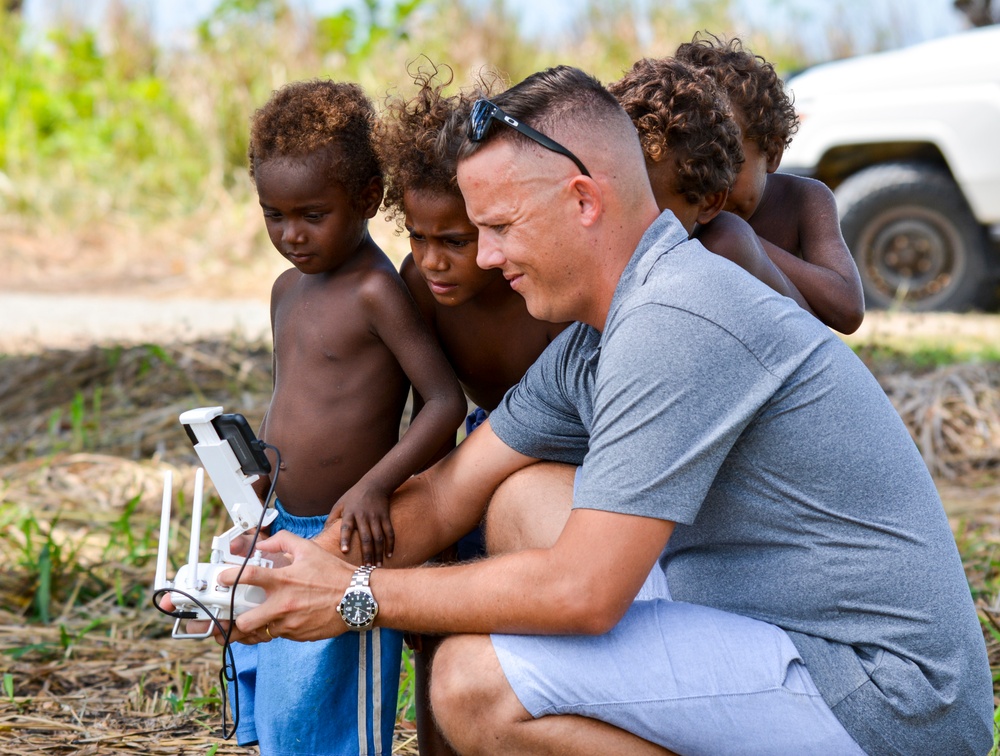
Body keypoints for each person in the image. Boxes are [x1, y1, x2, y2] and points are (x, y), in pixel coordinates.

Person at [225, 66, 993, 755]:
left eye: (498, 227)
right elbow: (445, 492)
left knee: (471, 681)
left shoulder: (680, 317)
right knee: (520, 496)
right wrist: (286, 571)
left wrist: (355, 596)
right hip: (769, 627)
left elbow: (582, 595)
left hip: (886, 700)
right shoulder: (600, 331)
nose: (485, 258)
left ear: (583, 201)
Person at [233, 78, 466, 755]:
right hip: (282, 523)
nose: (291, 234)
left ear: (365, 199)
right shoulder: (284, 289)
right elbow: (295, 399)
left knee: (336, 711)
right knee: (285, 701)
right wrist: (256, 476)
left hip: (350, 532)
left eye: (311, 213)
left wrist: (376, 487)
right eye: (273, 214)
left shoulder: (375, 291)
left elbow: (444, 401)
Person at [379, 64, 568, 755]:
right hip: (470, 453)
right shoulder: (416, 287)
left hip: (553, 464)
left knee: (513, 622)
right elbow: (422, 411)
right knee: (435, 623)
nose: (432, 261)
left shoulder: (538, 294)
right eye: (417, 238)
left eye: (455, 241)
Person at [677, 34, 866, 334]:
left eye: (726, 163)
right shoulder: (680, 205)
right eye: (694, 166)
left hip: (793, 349)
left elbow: (848, 309)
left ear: (773, 152)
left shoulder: (803, 199)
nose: (711, 186)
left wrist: (747, 243)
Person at [609, 55, 812, 312]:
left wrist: (752, 244)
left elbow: (842, 314)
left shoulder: (728, 238)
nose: (716, 179)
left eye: (732, 163)